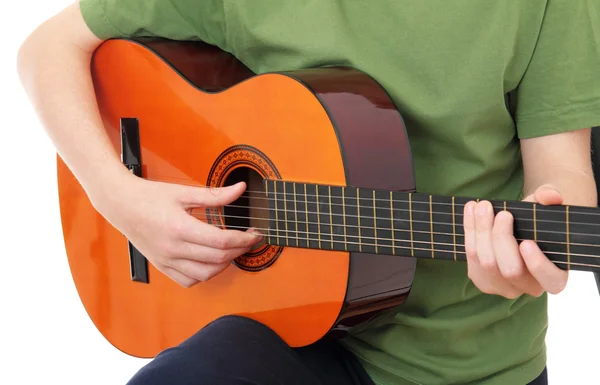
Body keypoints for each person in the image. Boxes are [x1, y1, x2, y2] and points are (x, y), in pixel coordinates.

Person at [17, 1, 600, 384]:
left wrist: (540, 235)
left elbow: (562, 171)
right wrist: (118, 196)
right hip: (284, 333)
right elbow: (47, 48)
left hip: (470, 363)